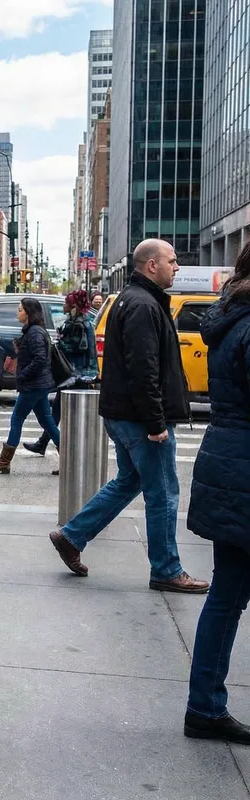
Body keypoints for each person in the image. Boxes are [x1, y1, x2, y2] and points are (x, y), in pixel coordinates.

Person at [48, 238, 209, 593]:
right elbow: (143, 369)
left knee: (129, 481)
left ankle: (72, 536)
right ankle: (167, 569)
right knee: (163, 493)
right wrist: (155, 422)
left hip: (125, 414)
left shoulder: (136, 299)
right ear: (152, 265)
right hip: (139, 419)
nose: (177, 266)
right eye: (172, 260)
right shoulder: (142, 304)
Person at [185, 242, 250, 744]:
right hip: (242, 468)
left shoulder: (232, 319)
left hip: (229, 462)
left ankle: (205, 705)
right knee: (227, 595)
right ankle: (205, 706)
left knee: (226, 594)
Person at [0, 298, 61, 474]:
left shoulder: (35, 332)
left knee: (17, 419)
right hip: (39, 384)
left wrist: (22, 374)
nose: (17, 313)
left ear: (29, 312)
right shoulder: (34, 330)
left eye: (20, 310)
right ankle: (69, 459)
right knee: (46, 421)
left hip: (34, 385)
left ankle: (4, 461)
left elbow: (39, 359)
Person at [23, 289, 97, 464]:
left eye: (66, 303)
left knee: (67, 416)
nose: (63, 305)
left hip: (76, 375)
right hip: (77, 374)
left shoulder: (78, 323)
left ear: (73, 306)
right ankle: (44, 443)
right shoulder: (80, 321)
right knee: (57, 411)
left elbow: (79, 347)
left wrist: (59, 343)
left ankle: (70, 457)